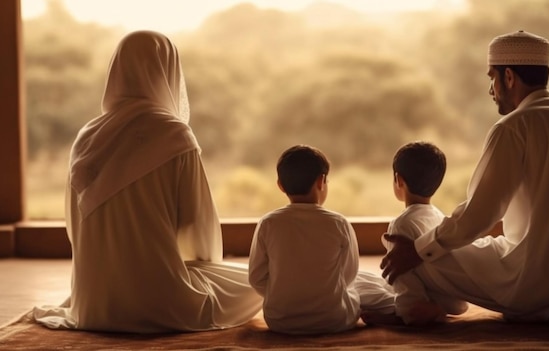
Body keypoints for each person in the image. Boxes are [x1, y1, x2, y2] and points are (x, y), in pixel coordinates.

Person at [380, 30, 549, 327]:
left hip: (535, 279)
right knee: (444, 245)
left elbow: (478, 216)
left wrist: (418, 250)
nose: (491, 89)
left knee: (412, 245)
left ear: (508, 76)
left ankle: (544, 308)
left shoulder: (514, 126)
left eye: (491, 77)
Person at [32, 30, 262, 333]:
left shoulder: (86, 137)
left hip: (94, 304)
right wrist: (199, 269)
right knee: (256, 285)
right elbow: (198, 227)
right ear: (168, 71)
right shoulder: (174, 134)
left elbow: (75, 228)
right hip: (163, 304)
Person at [248, 145, 396, 335]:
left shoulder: (268, 223)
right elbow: (348, 274)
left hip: (280, 321)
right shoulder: (338, 223)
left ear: (280, 185)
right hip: (335, 320)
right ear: (321, 181)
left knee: (362, 281)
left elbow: (257, 277)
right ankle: (399, 304)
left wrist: (283, 292)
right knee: (363, 282)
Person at [364, 141, 468, 326]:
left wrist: (405, 312)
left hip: (417, 304)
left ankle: (409, 312)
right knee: (372, 279)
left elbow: (403, 276)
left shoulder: (401, 225)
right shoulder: (439, 216)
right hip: (452, 298)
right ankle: (436, 308)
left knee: (357, 284)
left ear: (399, 180)